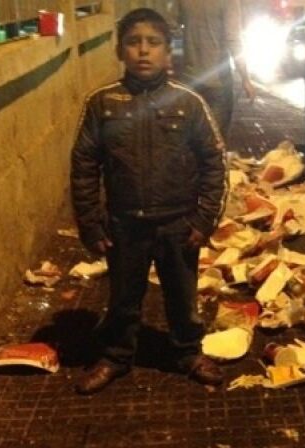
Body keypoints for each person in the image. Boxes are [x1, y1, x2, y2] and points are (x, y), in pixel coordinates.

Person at [70, 8, 228, 395]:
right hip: (124, 224)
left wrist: (204, 219)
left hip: (178, 224)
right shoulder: (102, 103)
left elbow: (215, 162)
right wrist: (90, 222)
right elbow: (83, 165)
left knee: (183, 296)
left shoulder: (189, 102)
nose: (143, 51)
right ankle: (116, 355)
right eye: (134, 42)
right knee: (123, 297)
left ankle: (188, 352)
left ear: (168, 51)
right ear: (119, 51)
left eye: (153, 43)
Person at [173, 0, 256, 135]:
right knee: (216, 138)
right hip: (217, 83)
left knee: (190, 137)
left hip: (189, 79)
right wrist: (245, 78)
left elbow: (172, 27)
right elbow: (233, 39)